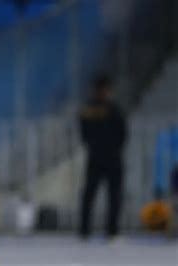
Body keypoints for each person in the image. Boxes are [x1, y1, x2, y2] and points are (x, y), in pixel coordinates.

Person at [78, 76, 128, 239]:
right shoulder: (89, 109)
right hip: (96, 157)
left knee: (114, 196)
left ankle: (112, 230)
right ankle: (84, 230)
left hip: (112, 158)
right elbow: (84, 132)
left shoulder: (114, 108)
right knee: (89, 194)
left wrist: (114, 148)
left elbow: (123, 133)